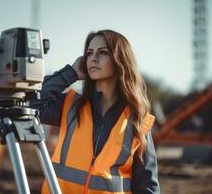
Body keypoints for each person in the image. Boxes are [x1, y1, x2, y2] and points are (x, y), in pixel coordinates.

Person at [30, 29, 160, 194]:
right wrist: (70, 73)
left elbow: (147, 187)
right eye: (89, 53)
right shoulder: (69, 106)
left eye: (103, 52)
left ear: (120, 60)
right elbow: (28, 103)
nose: (93, 58)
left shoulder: (138, 122)